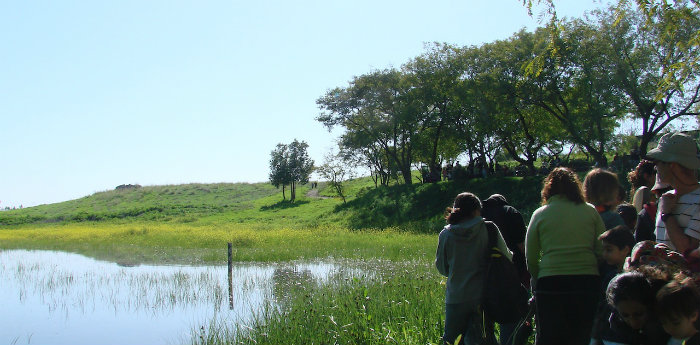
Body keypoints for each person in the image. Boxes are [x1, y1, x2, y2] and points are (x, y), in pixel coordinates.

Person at [526, 167, 606, 345]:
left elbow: (530, 256)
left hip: (551, 282)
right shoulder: (590, 211)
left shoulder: (540, 214)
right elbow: (602, 248)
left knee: (551, 336)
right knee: (583, 335)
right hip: (586, 280)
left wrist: (537, 276)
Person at [436, 192, 511, 345]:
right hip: (483, 296)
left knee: (451, 341)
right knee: (485, 339)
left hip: (456, 297)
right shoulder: (489, 228)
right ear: (477, 210)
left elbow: (442, 269)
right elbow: (507, 257)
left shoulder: (445, 234)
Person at [481, 193, 529, 345]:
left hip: (484, 273)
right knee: (510, 312)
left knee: (486, 318)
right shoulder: (511, 212)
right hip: (512, 270)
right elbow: (521, 245)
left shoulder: (480, 214)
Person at [645, 132, 700, 255]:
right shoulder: (666, 199)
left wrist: (667, 215)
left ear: (672, 165)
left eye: (658, 162)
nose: (655, 167)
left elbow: (687, 250)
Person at [598, 270, 670, 345]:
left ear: (650, 306)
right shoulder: (615, 324)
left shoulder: (666, 322)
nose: (633, 322)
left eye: (639, 314)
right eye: (625, 315)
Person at [656, 274, 700, 345]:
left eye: (676, 323)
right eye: (664, 323)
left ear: (693, 315)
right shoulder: (668, 339)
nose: (669, 329)